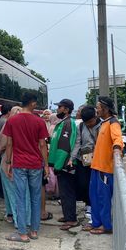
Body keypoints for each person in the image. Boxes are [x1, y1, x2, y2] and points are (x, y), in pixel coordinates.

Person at [3, 92, 49, 243]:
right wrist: (46, 166)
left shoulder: (12, 121)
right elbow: (42, 144)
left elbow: (9, 144)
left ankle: (22, 233)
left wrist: (8, 162)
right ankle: (34, 231)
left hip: (19, 164)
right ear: (33, 103)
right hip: (35, 164)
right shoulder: (39, 122)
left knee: (20, 198)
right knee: (35, 198)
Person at [88, 96, 123, 235]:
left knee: (103, 199)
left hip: (105, 168)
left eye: (98, 107)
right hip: (96, 166)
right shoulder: (104, 123)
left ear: (105, 109)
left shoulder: (113, 122)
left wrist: (117, 148)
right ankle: (96, 223)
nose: (96, 110)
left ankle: (106, 225)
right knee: (95, 197)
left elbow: (117, 138)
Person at [48, 98, 79, 231]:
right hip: (60, 164)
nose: (58, 109)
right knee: (64, 193)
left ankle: (71, 219)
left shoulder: (68, 124)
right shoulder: (62, 123)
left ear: (66, 109)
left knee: (67, 192)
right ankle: (67, 216)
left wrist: (58, 165)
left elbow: (64, 147)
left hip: (65, 165)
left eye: (60, 107)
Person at [76, 105, 101, 230]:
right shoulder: (80, 126)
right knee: (83, 184)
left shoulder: (102, 126)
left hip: (98, 161)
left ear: (95, 117)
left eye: (90, 122)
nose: (89, 125)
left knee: (95, 186)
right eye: (87, 123)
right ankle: (88, 204)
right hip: (84, 160)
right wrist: (72, 158)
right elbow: (77, 142)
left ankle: (92, 208)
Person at [0, 104, 13, 199]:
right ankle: (2, 193)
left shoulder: (1, 119)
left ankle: (1, 192)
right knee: (2, 171)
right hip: (2, 150)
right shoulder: (5, 121)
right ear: (9, 111)